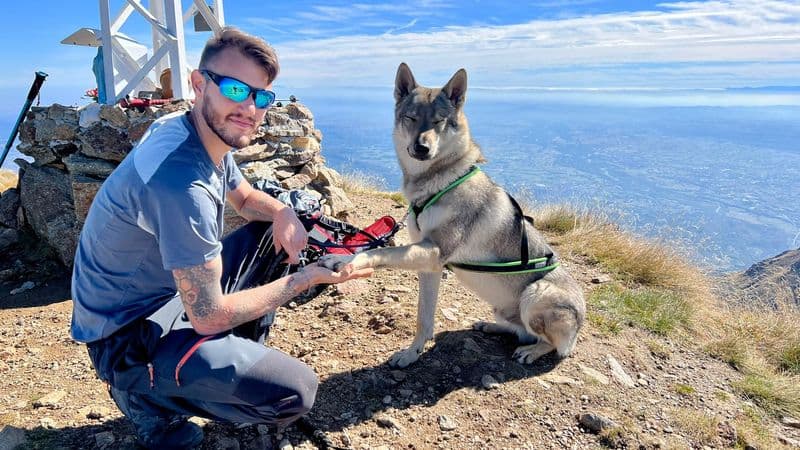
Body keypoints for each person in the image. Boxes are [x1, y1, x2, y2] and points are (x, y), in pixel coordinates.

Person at [70, 27, 373, 449]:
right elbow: (208, 316)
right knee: (294, 392)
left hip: (162, 294)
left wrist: (285, 212)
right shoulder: (181, 183)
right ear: (199, 84)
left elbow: (245, 198)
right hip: (123, 335)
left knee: (276, 225)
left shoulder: (195, 131)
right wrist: (307, 279)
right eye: (235, 88)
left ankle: (223, 360)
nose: (249, 107)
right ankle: (148, 402)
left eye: (261, 96)